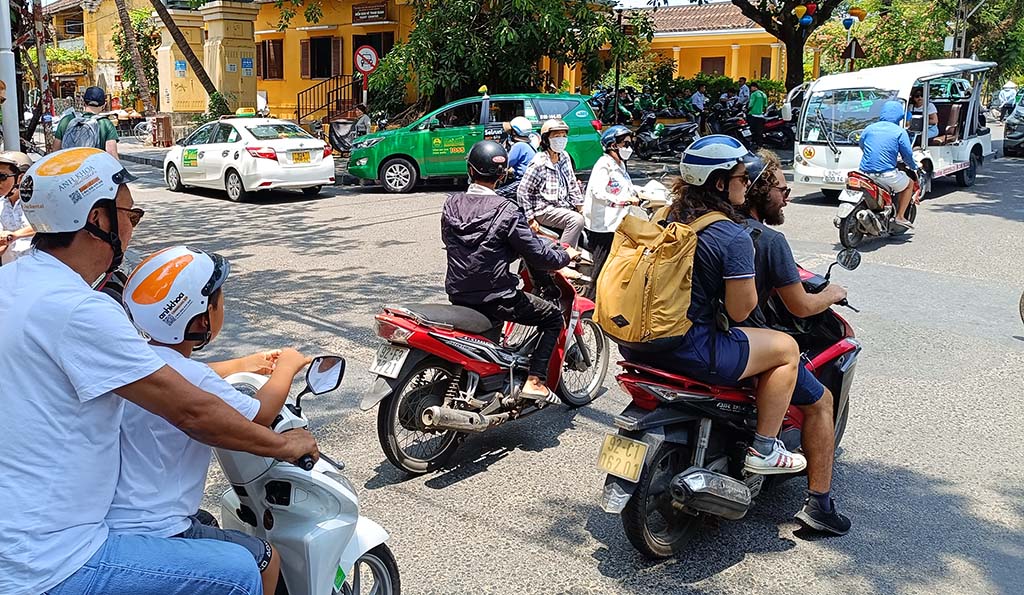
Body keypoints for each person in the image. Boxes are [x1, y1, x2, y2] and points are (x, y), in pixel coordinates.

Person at [0, 147, 318, 595]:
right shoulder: (79, 309)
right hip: (54, 559)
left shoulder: (14, 282)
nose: (133, 225)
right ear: (98, 219)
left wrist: (243, 365)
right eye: (130, 213)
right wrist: (283, 446)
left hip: (20, 531)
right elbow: (193, 412)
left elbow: (160, 375)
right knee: (241, 571)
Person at [108, 245, 313, 595]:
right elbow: (260, 414)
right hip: (160, 527)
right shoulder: (190, 378)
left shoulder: (138, 360)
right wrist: (288, 366)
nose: (221, 306)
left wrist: (245, 363)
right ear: (202, 318)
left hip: (119, 520)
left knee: (208, 521)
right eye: (217, 300)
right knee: (264, 558)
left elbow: (185, 373)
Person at [620, 135, 808, 475]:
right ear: (720, 183)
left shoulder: (663, 215)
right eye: (741, 177)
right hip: (691, 350)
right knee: (787, 349)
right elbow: (739, 312)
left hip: (636, 343)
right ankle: (764, 447)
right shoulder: (732, 236)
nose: (747, 184)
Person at [739, 150, 852, 535]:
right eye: (782, 189)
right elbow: (800, 307)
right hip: (746, 343)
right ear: (759, 191)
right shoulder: (769, 241)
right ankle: (819, 504)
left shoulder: (704, 223)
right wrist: (833, 294)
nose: (787, 196)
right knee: (822, 402)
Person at [442, 140, 579, 401]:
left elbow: (455, 242)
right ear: (503, 175)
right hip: (496, 297)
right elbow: (538, 255)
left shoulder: (451, 204)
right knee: (552, 318)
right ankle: (535, 380)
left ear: (470, 170)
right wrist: (564, 255)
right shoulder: (507, 211)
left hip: (458, 293)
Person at [518, 118, 585, 278]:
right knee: (576, 220)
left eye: (563, 135)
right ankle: (562, 262)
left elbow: (572, 184)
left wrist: (581, 206)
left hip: (562, 207)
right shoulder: (539, 162)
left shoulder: (565, 157)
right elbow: (523, 191)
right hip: (544, 209)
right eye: (556, 136)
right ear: (546, 139)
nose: (561, 139)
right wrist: (530, 219)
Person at [583, 125, 640, 299]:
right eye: (625, 144)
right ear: (613, 145)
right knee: (602, 267)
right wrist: (623, 201)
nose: (628, 148)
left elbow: (626, 188)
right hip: (604, 225)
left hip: (619, 221)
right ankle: (591, 303)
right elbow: (598, 192)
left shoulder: (620, 165)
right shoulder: (604, 164)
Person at [859, 100, 919, 229]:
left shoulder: (869, 128)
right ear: (899, 115)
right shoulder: (899, 132)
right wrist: (914, 167)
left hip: (864, 173)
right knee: (909, 184)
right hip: (886, 174)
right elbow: (907, 155)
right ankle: (900, 216)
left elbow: (862, 145)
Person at [53, 86, 119, 158]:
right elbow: (112, 154)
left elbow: (56, 151)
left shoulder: (67, 120)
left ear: (83, 102)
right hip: (93, 168)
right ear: (104, 105)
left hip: (69, 166)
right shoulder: (106, 124)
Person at [0, 151, 34, 265]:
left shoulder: (37, 202)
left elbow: (45, 225)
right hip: (11, 271)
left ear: (21, 178)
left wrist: (15, 235)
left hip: (38, 271)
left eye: (2, 177)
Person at [506, 116, 538, 180]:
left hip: (522, 180)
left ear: (514, 132)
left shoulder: (519, 146)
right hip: (531, 178)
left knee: (499, 190)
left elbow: (507, 164)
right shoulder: (530, 144)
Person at [747, 82, 768, 148]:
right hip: (761, 115)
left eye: (751, 87)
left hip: (753, 114)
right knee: (759, 131)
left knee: (751, 130)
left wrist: (747, 109)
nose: (750, 89)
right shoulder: (763, 94)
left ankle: (752, 143)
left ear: (754, 87)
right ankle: (760, 144)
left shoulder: (754, 94)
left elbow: (751, 104)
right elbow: (765, 105)